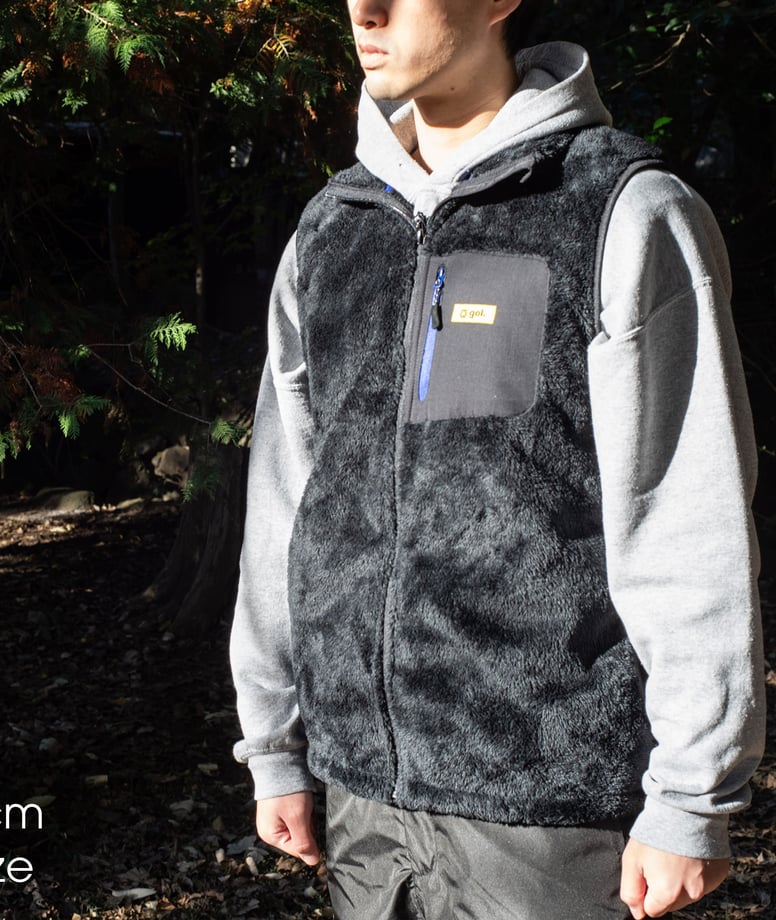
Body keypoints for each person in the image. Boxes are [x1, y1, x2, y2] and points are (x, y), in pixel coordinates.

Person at [229, 0, 766, 917]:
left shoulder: (619, 210)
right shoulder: (332, 230)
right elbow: (288, 503)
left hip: (549, 811)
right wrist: (275, 743)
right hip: (363, 799)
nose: (365, 9)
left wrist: (690, 793)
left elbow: (687, 516)